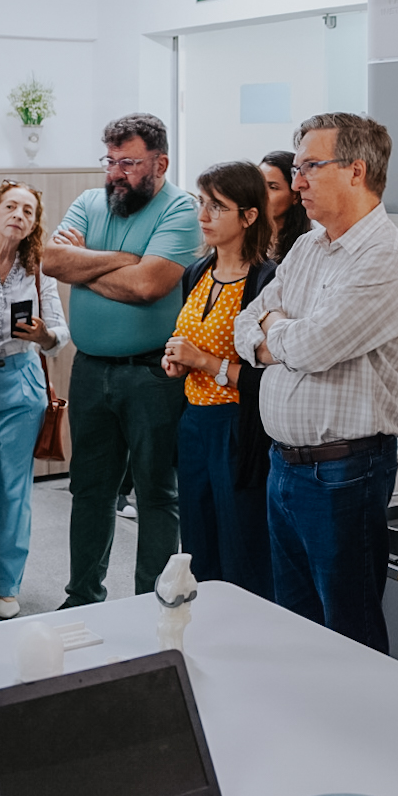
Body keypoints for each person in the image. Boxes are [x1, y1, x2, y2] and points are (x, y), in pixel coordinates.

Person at [233, 112, 398, 652]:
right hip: (286, 467)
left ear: (357, 171)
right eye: (297, 169)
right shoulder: (307, 248)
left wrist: (277, 333)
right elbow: (246, 328)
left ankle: (357, 734)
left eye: (310, 167)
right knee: (295, 627)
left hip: (344, 473)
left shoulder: (388, 256)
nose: (297, 184)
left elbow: (315, 347)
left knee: (349, 633)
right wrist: (277, 333)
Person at [43, 113, 201, 607]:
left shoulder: (181, 209)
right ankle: (83, 594)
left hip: (154, 374)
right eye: (109, 161)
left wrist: (86, 261)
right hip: (89, 370)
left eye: (128, 162)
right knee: (89, 490)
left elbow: (150, 285)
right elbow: (49, 261)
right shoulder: (91, 201)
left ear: (161, 162)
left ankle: (149, 602)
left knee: (156, 495)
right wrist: (125, 261)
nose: (115, 173)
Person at [163, 161, 276, 600]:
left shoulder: (267, 281)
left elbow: (272, 379)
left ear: (249, 216)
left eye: (218, 206)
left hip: (238, 428)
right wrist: (177, 359)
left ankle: (247, 649)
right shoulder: (197, 273)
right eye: (202, 203)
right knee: (198, 547)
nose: (204, 216)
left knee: (242, 548)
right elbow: (187, 339)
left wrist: (206, 362)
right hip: (195, 421)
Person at [0, 181, 69, 620]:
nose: (19, 215)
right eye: (11, 206)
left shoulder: (37, 269)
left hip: (21, 383)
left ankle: (7, 586)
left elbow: (60, 334)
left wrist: (44, 335)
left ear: (33, 224)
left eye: (28, 211)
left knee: (13, 491)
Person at [260, 151, 311, 262]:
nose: (261, 194)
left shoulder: (306, 250)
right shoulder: (241, 242)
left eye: (272, 187)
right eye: (259, 185)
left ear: (295, 196)